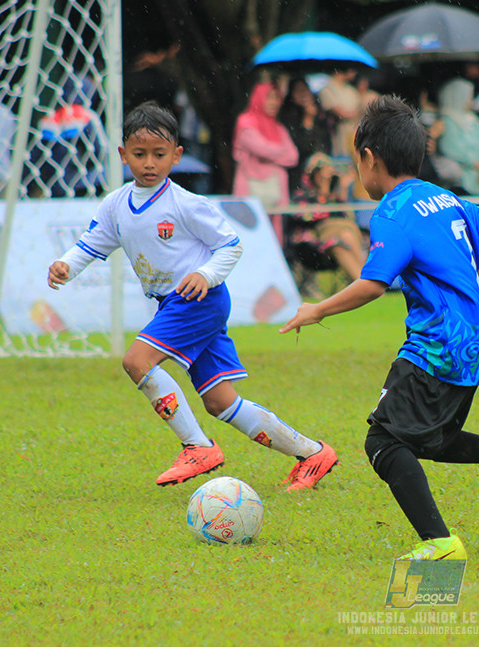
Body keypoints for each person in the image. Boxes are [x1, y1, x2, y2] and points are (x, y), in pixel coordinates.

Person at [279, 95, 479, 561]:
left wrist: (316, 309)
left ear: (368, 157)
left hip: (437, 343)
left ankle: (440, 544)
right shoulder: (448, 200)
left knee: (382, 441)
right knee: (429, 439)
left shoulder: (393, 210)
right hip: (477, 345)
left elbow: (372, 284)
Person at [47, 102, 337, 490]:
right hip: (176, 304)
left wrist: (204, 273)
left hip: (199, 300)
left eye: (159, 154)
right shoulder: (115, 205)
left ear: (177, 156)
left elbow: (230, 245)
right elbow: (92, 244)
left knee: (137, 361)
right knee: (222, 403)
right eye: (139, 154)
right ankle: (313, 453)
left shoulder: (185, 204)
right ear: (122, 155)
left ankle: (197, 446)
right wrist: (66, 264)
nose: (149, 163)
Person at [285, 151, 366, 290]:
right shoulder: (301, 197)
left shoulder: (335, 197)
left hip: (336, 242)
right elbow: (311, 219)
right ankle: (368, 283)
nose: (327, 177)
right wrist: (323, 192)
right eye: (323, 173)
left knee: (344, 237)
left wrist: (343, 189)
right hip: (310, 247)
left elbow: (347, 217)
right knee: (344, 231)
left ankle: (363, 285)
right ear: (314, 174)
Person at [232, 81, 298, 245]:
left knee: (275, 240)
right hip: (251, 189)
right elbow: (261, 148)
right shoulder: (245, 121)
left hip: (275, 192)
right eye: (270, 97)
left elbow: (293, 157)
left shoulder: (278, 128)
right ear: (259, 98)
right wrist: (277, 152)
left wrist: (268, 153)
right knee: (249, 237)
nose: (274, 102)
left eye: (277, 98)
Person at [436, 77, 479, 196]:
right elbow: (452, 148)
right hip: (462, 177)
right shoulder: (447, 120)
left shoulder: (473, 119)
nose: (471, 100)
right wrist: (477, 166)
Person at [279, 77, 333, 194]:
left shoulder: (321, 116)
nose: (303, 94)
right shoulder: (288, 118)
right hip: (298, 178)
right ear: (292, 95)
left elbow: (326, 145)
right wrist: (307, 120)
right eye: (298, 90)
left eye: (305, 89)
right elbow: (299, 149)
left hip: (320, 178)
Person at [317, 68, 363, 159]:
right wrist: (355, 114)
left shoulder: (352, 90)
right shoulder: (327, 89)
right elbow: (341, 113)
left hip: (354, 139)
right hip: (338, 142)